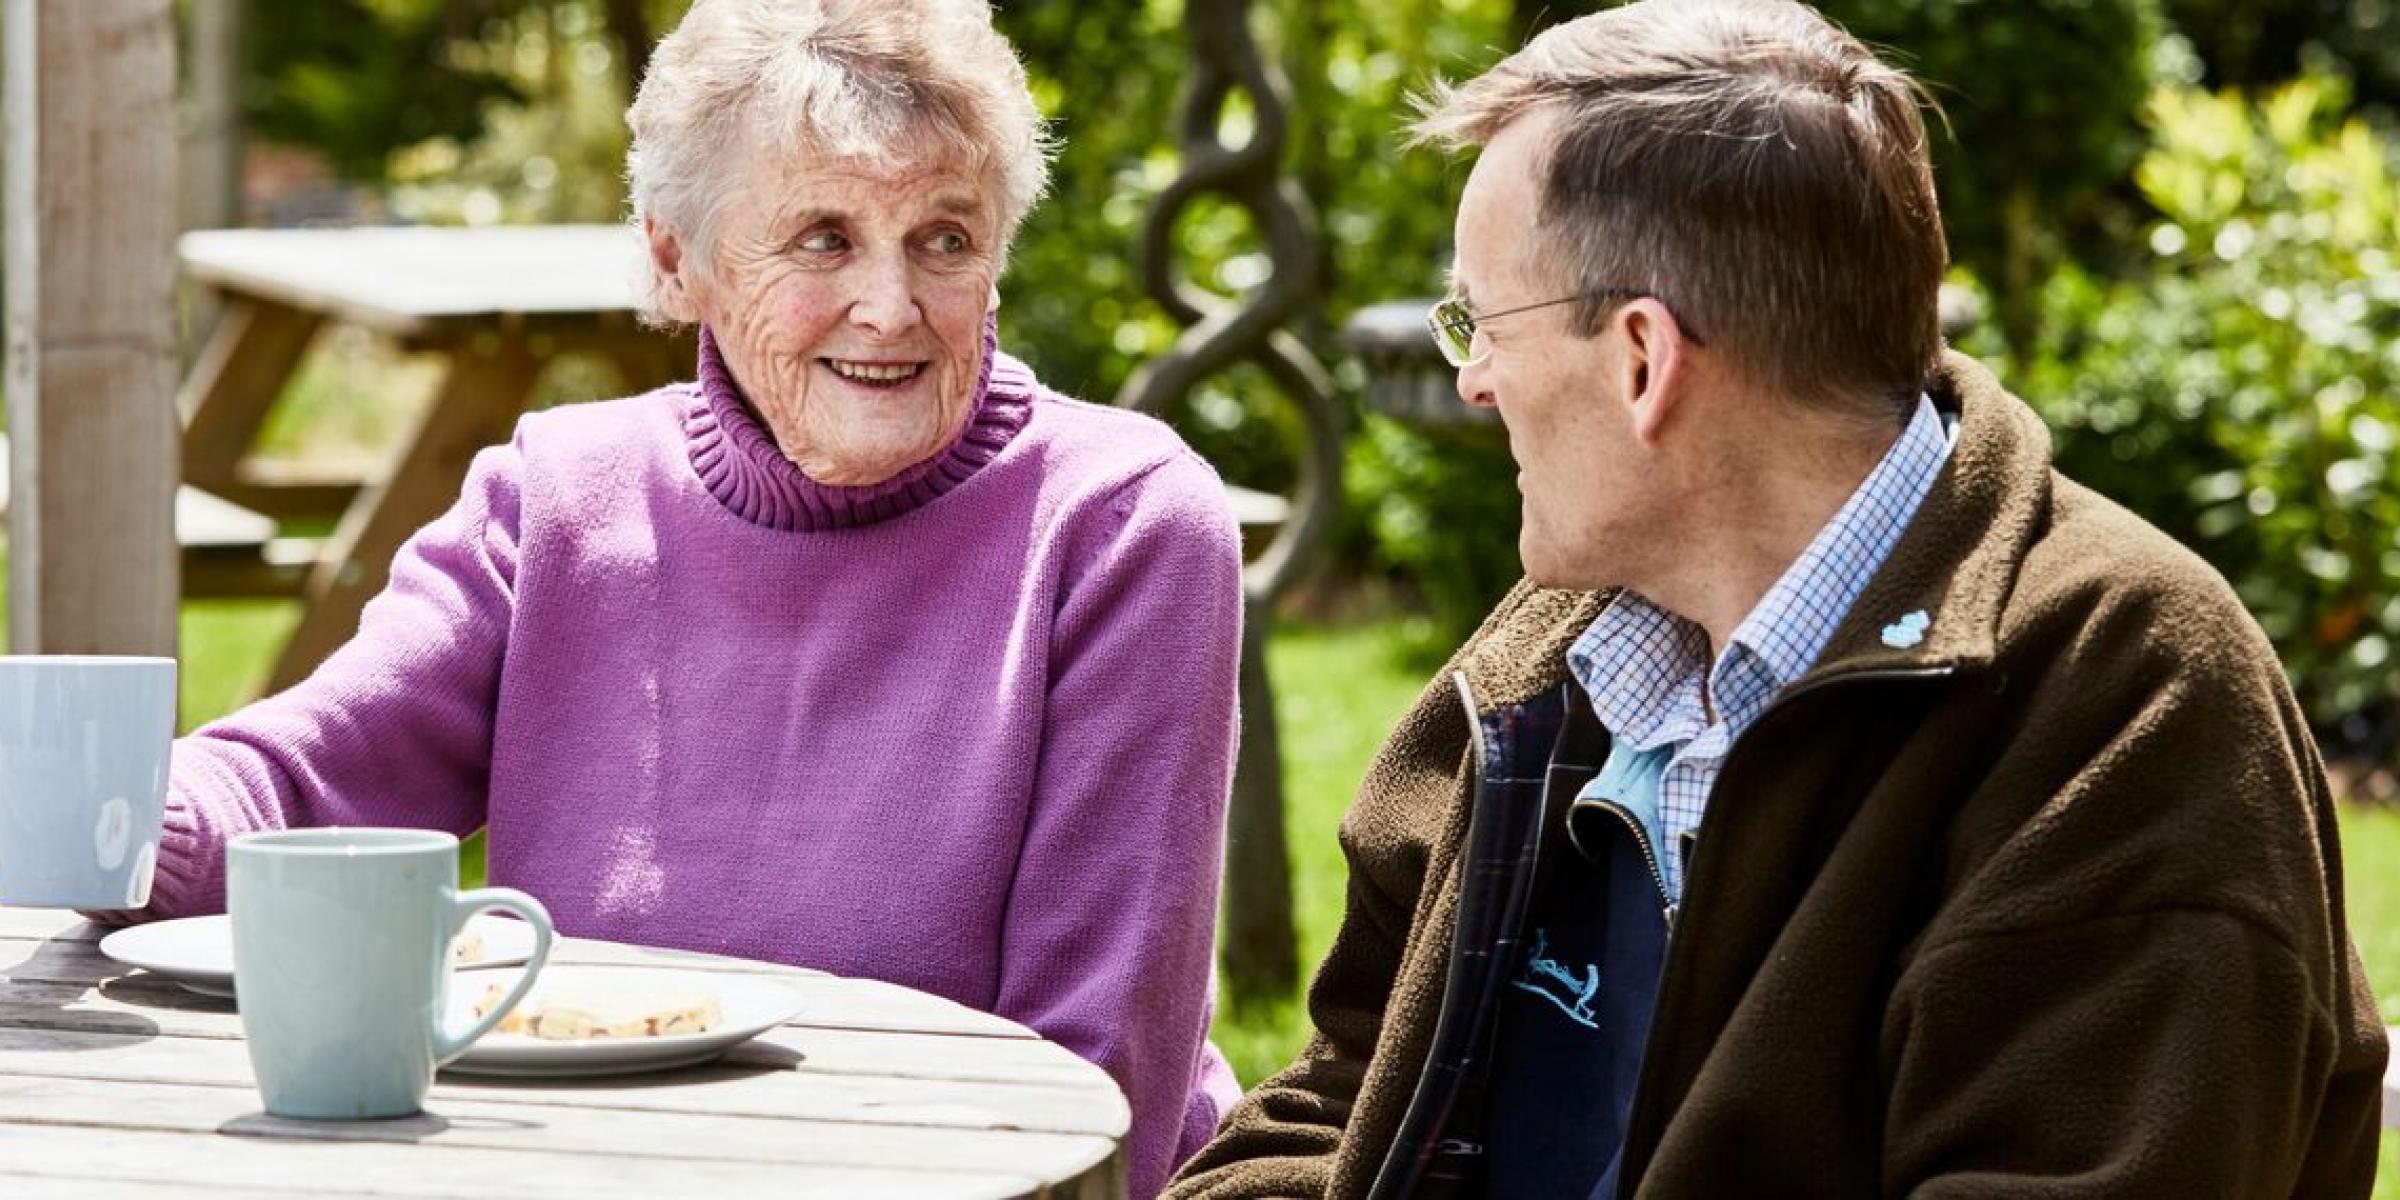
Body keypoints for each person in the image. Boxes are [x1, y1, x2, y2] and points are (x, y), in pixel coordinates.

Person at [1171, 1, 2389, 1196]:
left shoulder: (2129, 700)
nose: (1475, 380)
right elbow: (1351, 1090)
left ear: (1643, 359)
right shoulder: (1559, 650)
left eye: (1480, 323)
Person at [103, 1, 1244, 1193]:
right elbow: (308, 782)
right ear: (671, 256)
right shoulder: (558, 501)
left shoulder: (1121, 524)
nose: (893, 305)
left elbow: (1094, 1065)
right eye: (822, 238)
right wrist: (103, 813)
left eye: (945, 239)